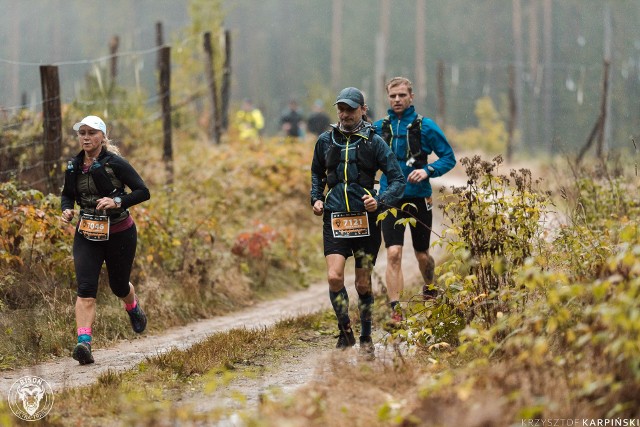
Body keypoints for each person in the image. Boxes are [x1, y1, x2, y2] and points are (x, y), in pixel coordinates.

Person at [310, 87, 405, 357]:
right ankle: (345, 331)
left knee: (362, 284)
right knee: (333, 276)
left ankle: (365, 337)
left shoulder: (374, 142)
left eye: (351, 109)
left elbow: (397, 180)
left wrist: (381, 201)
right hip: (335, 218)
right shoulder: (325, 141)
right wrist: (316, 198)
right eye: (341, 108)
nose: (345, 114)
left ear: (363, 110)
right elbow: (317, 173)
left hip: (366, 223)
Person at [61, 115, 151, 365]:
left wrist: (117, 201)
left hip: (120, 232)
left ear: (102, 136)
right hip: (87, 232)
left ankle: (132, 307)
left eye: (91, 133)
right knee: (86, 289)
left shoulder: (116, 164)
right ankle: (84, 344)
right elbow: (67, 195)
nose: (86, 138)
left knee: (118, 286)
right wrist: (67, 210)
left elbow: (143, 192)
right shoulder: (73, 166)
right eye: (82, 133)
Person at [373, 77, 456, 323]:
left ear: (411, 97)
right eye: (392, 96)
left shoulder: (425, 126)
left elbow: (448, 157)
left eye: (401, 95)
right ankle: (395, 311)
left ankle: (429, 287)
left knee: (422, 255)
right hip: (390, 198)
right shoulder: (379, 127)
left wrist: (428, 171)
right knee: (393, 254)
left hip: (419, 197)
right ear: (387, 98)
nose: (397, 100)